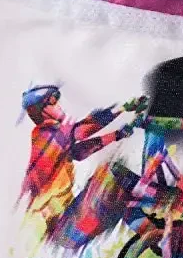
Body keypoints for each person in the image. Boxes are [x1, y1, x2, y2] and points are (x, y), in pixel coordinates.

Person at [18, 84, 146, 234]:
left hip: (65, 220)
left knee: (117, 191)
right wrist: (122, 108)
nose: (59, 106)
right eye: (52, 102)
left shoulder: (52, 138)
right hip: (61, 224)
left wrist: (117, 134)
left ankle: (150, 228)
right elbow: (81, 131)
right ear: (41, 110)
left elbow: (79, 152)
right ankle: (161, 206)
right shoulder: (45, 134)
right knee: (114, 177)